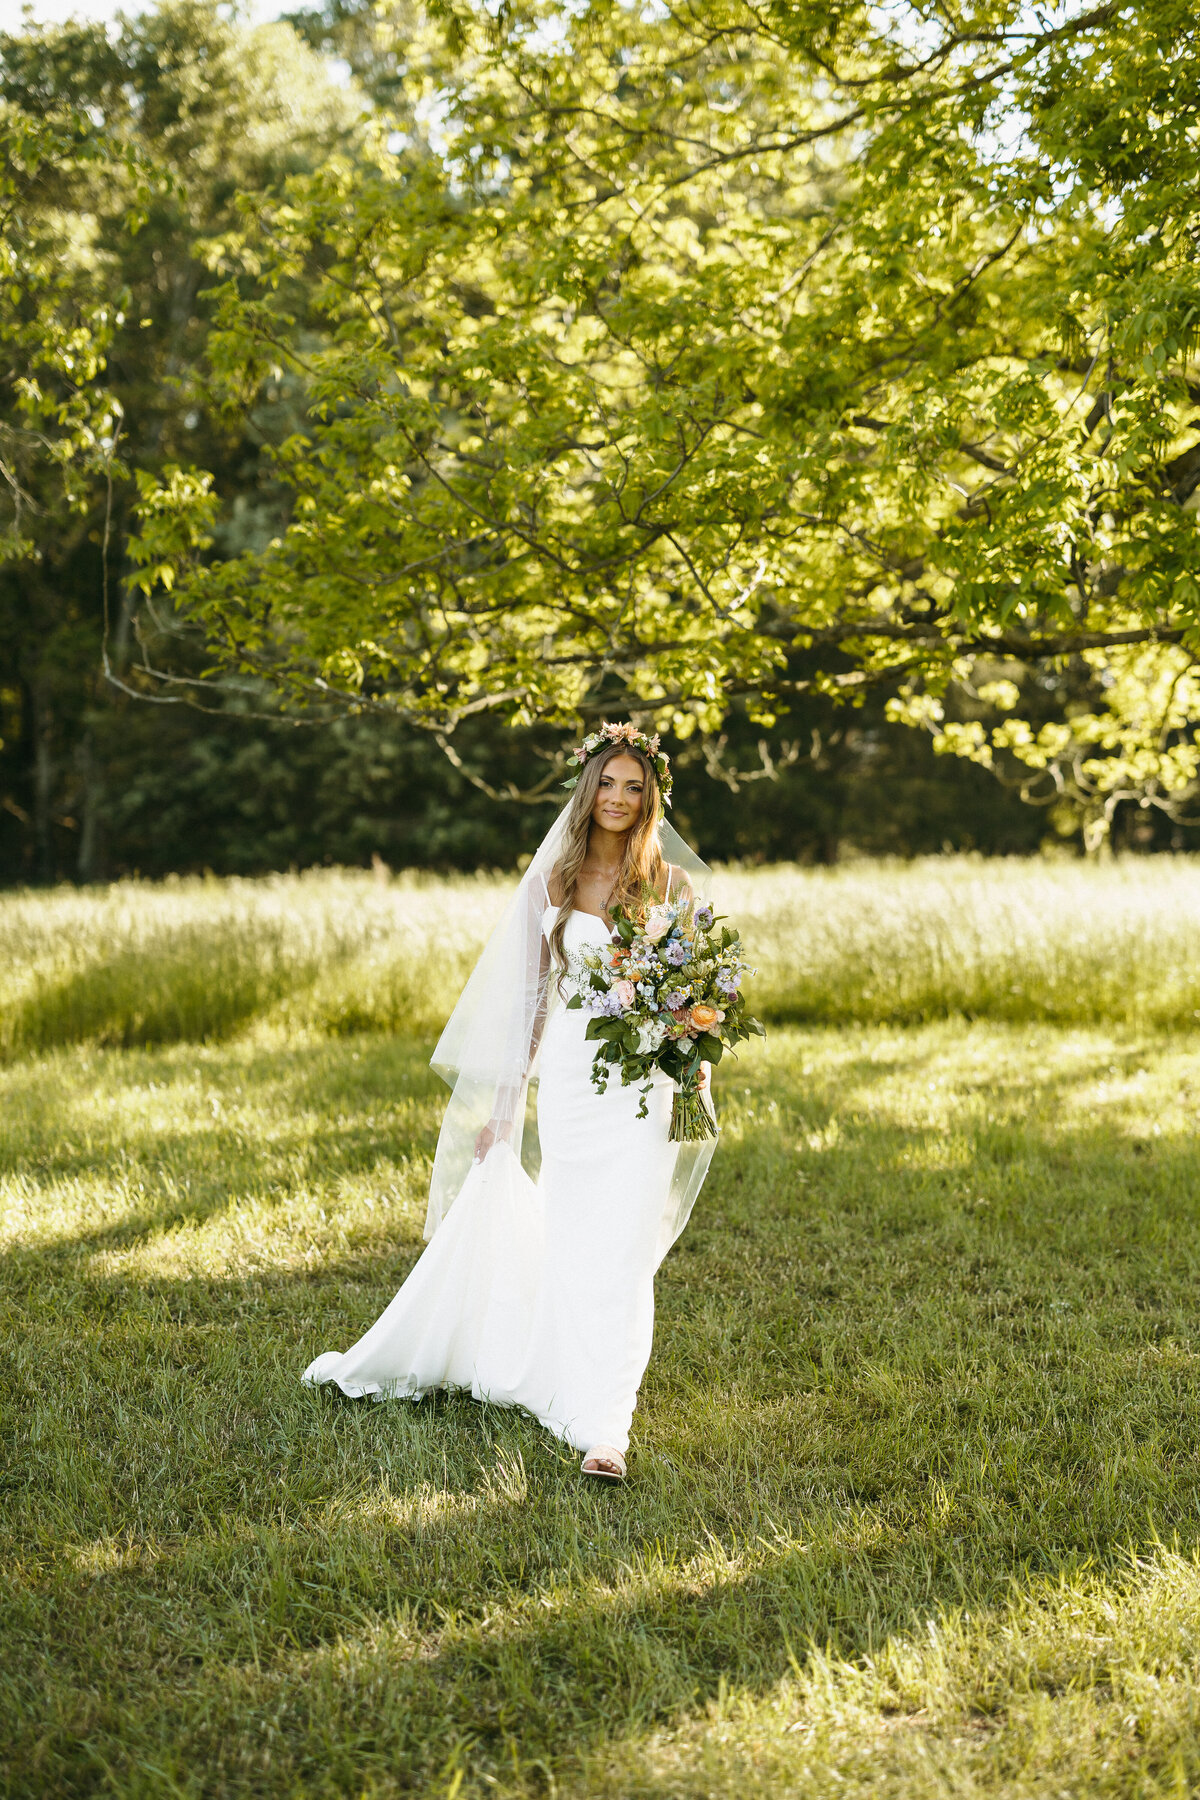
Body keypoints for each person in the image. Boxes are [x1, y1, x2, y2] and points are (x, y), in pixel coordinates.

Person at [302, 722, 717, 1481]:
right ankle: (564, 1372)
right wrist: (503, 1110)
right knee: (575, 1241)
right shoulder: (553, 883)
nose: (617, 798)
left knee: (625, 1252)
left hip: (643, 1092)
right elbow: (530, 1003)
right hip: (572, 1084)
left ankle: (607, 1428)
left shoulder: (672, 889)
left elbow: (695, 995)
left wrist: (692, 1056)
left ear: (649, 799)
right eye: (607, 783)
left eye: (633, 787)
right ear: (587, 788)